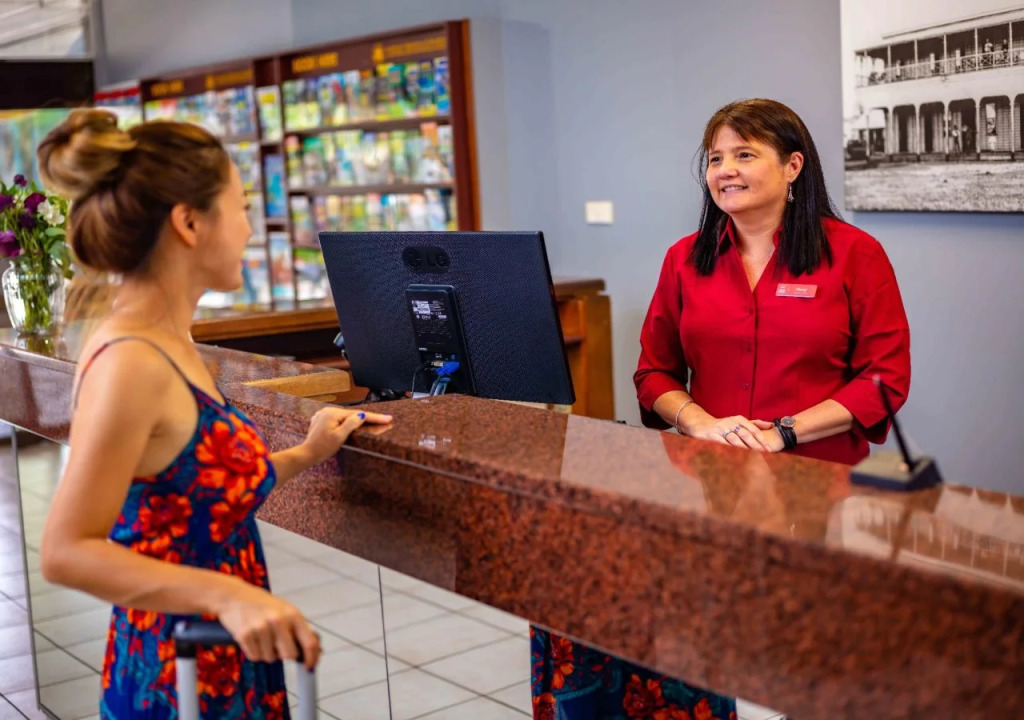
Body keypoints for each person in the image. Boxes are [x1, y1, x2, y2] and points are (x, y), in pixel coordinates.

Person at [35, 109, 392, 719]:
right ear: (190, 222)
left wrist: (308, 452)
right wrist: (227, 596)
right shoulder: (130, 360)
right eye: (242, 207)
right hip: (177, 672)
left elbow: (196, 493)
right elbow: (66, 551)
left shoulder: (172, 340)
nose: (250, 229)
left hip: (226, 655)